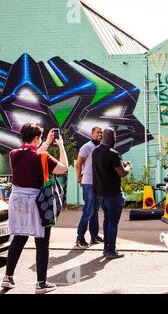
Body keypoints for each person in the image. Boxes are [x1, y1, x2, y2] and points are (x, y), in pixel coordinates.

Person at [1, 124, 68, 294]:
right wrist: (59, 145)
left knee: (19, 238)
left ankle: (7, 277)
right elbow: (63, 168)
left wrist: (45, 142)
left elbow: (31, 154)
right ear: (37, 138)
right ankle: (41, 283)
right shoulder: (43, 157)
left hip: (16, 199)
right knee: (42, 241)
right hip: (36, 201)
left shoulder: (13, 154)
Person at [92, 127, 132, 260]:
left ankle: (106, 248)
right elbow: (122, 173)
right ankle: (111, 250)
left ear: (103, 136)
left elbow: (107, 168)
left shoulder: (95, 151)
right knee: (113, 222)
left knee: (107, 219)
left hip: (101, 194)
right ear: (113, 138)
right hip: (113, 194)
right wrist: (128, 167)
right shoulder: (113, 153)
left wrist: (121, 164)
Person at [75, 126, 103, 248]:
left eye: (101, 133)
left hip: (98, 184)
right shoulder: (87, 147)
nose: (100, 134)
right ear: (92, 133)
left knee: (95, 211)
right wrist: (79, 177)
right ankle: (80, 238)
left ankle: (94, 236)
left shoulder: (100, 147)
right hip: (88, 184)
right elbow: (79, 163)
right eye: (98, 132)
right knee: (88, 211)